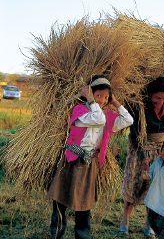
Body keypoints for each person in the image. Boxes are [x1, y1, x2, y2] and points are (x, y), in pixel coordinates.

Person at [47, 75, 133, 239]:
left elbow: (128, 120)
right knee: (60, 198)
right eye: (98, 95)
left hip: (89, 165)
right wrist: (90, 99)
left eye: (106, 97)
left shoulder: (107, 116)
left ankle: (82, 235)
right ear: (90, 94)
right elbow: (98, 119)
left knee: (84, 204)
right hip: (71, 161)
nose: (102, 100)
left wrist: (115, 103)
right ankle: (56, 234)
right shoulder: (80, 111)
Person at [118, 77, 164, 237]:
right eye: (157, 97)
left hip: (160, 153)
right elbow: (134, 136)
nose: (161, 101)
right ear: (150, 94)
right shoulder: (140, 109)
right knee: (133, 185)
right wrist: (143, 158)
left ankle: (149, 224)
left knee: (154, 188)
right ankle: (125, 221)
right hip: (139, 151)